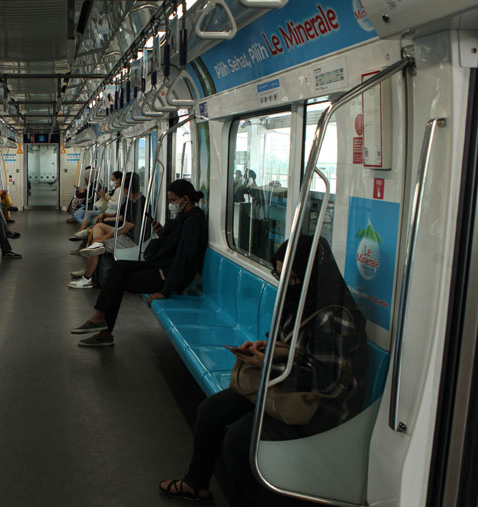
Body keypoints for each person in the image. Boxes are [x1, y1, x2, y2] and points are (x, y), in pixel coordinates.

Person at [157, 236, 367, 505]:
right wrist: (263, 348)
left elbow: (325, 380)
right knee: (210, 411)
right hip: (285, 387)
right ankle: (196, 484)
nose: (285, 284)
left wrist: (267, 364)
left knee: (240, 440)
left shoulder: (335, 317)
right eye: (279, 275)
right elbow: (287, 343)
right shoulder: (299, 301)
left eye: (292, 279)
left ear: (310, 275)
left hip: (321, 408)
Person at [71, 180, 207, 343]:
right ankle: (100, 320)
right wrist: (162, 232)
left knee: (117, 281)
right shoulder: (184, 217)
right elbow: (174, 246)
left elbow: (183, 259)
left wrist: (166, 291)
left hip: (167, 276)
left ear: (185, 198)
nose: (171, 204)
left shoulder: (193, 223)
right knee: (118, 267)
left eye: (172, 200)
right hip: (160, 266)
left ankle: (102, 327)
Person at [68, 173, 146, 289]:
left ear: (125, 188)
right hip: (125, 232)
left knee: (97, 245)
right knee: (99, 227)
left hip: (131, 239)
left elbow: (125, 227)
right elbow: (121, 216)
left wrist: (104, 238)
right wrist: (106, 215)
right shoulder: (131, 199)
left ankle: (87, 278)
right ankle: (94, 245)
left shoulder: (140, 203)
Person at [70, 171, 123, 242]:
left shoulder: (119, 191)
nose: (111, 181)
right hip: (107, 210)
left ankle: (82, 232)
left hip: (109, 212)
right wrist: (101, 196)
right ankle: (82, 231)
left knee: (87, 218)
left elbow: (116, 205)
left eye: (112, 180)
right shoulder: (115, 189)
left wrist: (104, 197)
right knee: (88, 213)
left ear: (118, 180)